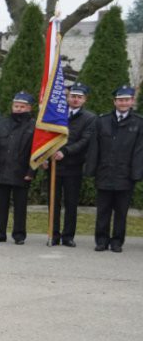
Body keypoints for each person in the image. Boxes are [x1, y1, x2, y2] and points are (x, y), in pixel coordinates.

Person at [85, 85, 143, 253]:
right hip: (105, 172)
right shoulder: (102, 121)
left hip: (125, 175)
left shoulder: (139, 123)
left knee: (121, 211)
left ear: (132, 101)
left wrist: (136, 174)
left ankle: (117, 241)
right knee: (103, 210)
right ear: (114, 102)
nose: (123, 103)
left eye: (126, 100)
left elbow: (139, 151)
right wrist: (91, 170)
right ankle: (101, 240)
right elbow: (94, 148)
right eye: (120, 100)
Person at [49, 83, 97, 247]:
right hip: (54, 165)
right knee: (54, 202)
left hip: (73, 166)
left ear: (84, 99)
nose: (75, 99)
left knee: (71, 203)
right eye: (73, 96)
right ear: (67, 97)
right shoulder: (57, 114)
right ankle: (53, 234)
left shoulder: (90, 118)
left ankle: (68, 236)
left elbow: (85, 140)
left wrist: (66, 152)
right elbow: (48, 135)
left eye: (79, 97)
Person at [0, 92, 37, 245]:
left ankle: (19, 234)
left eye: (22, 106)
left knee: (20, 206)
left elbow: (35, 151)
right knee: (1, 205)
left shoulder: (33, 125)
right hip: (2, 170)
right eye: (16, 106)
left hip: (22, 172)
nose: (19, 109)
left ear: (29, 108)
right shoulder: (1, 122)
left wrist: (31, 171)